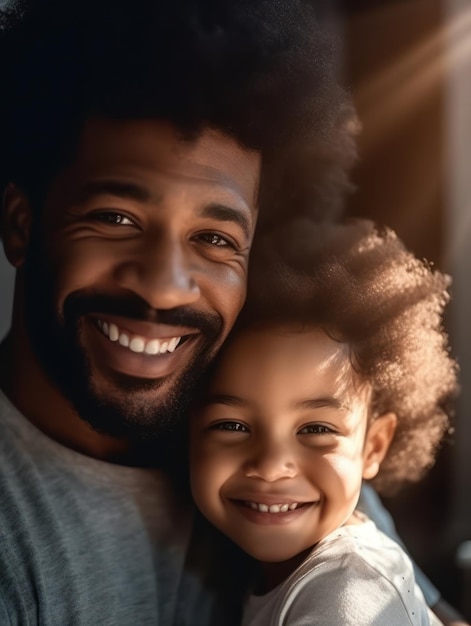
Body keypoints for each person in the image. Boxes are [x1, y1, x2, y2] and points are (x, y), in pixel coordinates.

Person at [0, 0, 358, 624]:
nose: (165, 289)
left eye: (215, 239)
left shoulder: (271, 436)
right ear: (20, 224)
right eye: (116, 219)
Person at [190, 219, 458, 625]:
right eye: (232, 425)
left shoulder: (345, 599)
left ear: (374, 447)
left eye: (316, 430)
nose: (270, 464)